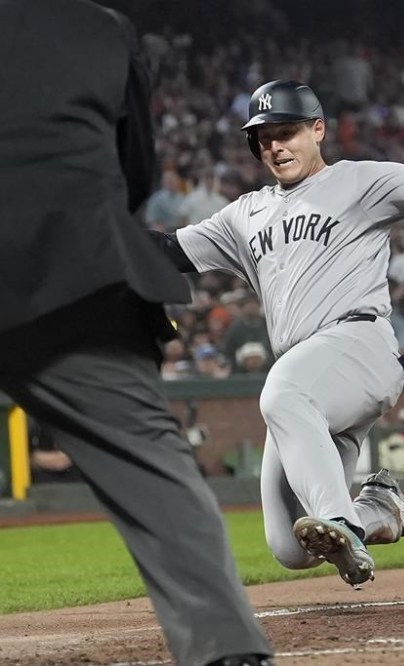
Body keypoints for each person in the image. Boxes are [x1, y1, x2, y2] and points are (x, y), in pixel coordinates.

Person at [148, 79, 404, 587]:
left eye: (288, 131)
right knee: (290, 547)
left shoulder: (358, 181)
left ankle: (342, 521)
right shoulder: (243, 215)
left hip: (356, 345)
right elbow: (167, 251)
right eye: (264, 137)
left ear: (318, 130)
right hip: (309, 379)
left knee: (283, 393)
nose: (276, 145)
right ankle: (382, 511)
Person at [0, 3, 273, 665]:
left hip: (73, 266)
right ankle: (227, 651)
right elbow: (135, 172)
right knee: (152, 464)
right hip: (77, 264)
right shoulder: (96, 25)